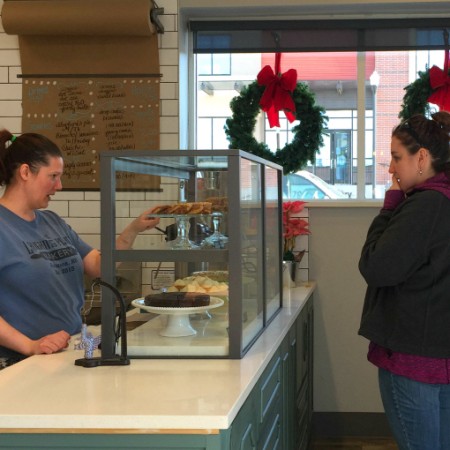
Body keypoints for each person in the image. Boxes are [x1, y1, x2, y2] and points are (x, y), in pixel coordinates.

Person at [0, 130, 159, 369]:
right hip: (19, 362)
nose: (59, 186)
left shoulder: (52, 222)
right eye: (53, 176)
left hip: (65, 352)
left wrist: (132, 231)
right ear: (25, 172)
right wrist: (30, 345)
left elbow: (97, 266)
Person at [358, 112, 450, 450]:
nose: (392, 169)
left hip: (415, 364)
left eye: (397, 157)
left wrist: (389, 207)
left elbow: (376, 266)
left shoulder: (425, 205)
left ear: (422, 157)